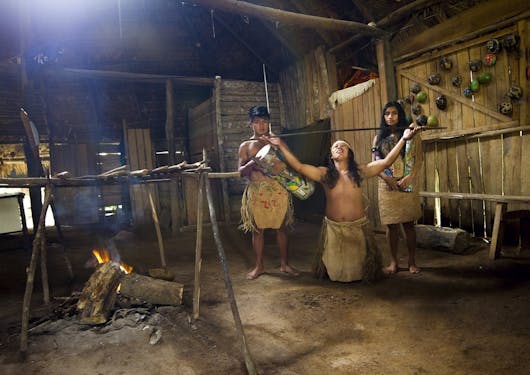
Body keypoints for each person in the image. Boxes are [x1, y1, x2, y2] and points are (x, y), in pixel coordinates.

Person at [263, 125, 422, 282]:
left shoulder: (359, 172)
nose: (339, 147)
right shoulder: (324, 174)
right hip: (334, 230)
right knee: (335, 273)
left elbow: (386, 162)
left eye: (343, 146)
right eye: (335, 146)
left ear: (350, 154)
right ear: (331, 155)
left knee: (360, 272)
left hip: (357, 229)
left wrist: (403, 139)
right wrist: (279, 147)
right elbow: (299, 166)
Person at [238, 105, 299, 280]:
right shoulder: (246, 145)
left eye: (264, 121)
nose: (261, 125)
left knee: (282, 228)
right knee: (257, 230)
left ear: (268, 123)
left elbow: (291, 162)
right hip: (258, 191)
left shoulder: (277, 141)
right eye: (257, 122)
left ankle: (285, 264)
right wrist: (251, 164)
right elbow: (240, 171)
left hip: (278, 189)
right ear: (251, 124)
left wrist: (278, 148)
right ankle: (259, 267)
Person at [372, 101, 423, 274]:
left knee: (409, 224)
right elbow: (375, 163)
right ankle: (393, 262)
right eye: (387, 114)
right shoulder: (378, 138)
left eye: (394, 113)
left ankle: (411, 261)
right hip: (387, 185)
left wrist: (410, 177)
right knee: (391, 226)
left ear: (400, 115)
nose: (390, 117)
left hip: (406, 183)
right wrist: (387, 178)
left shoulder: (412, 134)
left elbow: (418, 160)